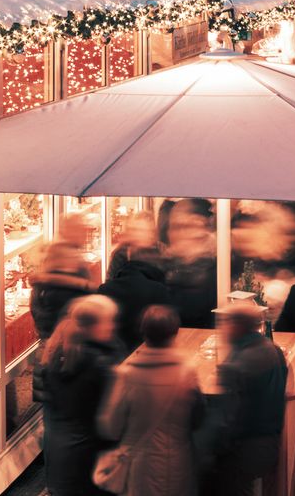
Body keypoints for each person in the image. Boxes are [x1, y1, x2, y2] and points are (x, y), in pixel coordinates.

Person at [96, 305, 200, 496]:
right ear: (174, 334)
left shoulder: (126, 375)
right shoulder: (187, 372)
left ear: (143, 334)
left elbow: (110, 427)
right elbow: (198, 418)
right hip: (179, 462)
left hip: (140, 467)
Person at [200, 298, 287, 496]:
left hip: (244, 450)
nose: (221, 328)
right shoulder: (274, 350)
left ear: (236, 326)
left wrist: (205, 452)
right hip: (270, 443)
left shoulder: (236, 366)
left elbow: (225, 419)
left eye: (224, 323)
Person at [35, 293, 119, 496]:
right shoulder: (98, 365)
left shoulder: (52, 356)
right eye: (109, 322)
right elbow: (108, 420)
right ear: (94, 327)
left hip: (57, 455)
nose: (113, 327)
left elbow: (46, 403)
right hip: (87, 459)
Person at [102, 219, 173, 350]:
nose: (139, 234)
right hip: (127, 339)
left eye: (143, 230)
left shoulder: (163, 250)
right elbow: (111, 280)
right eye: (136, 230)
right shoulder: (120, 254)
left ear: (152, 233)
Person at [33, 212, 101, 343]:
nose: (85, 234)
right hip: (62, 336)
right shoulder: (61, 255)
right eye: (80, 229)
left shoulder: (71, 255)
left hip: (61, 334)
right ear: (70, 231)